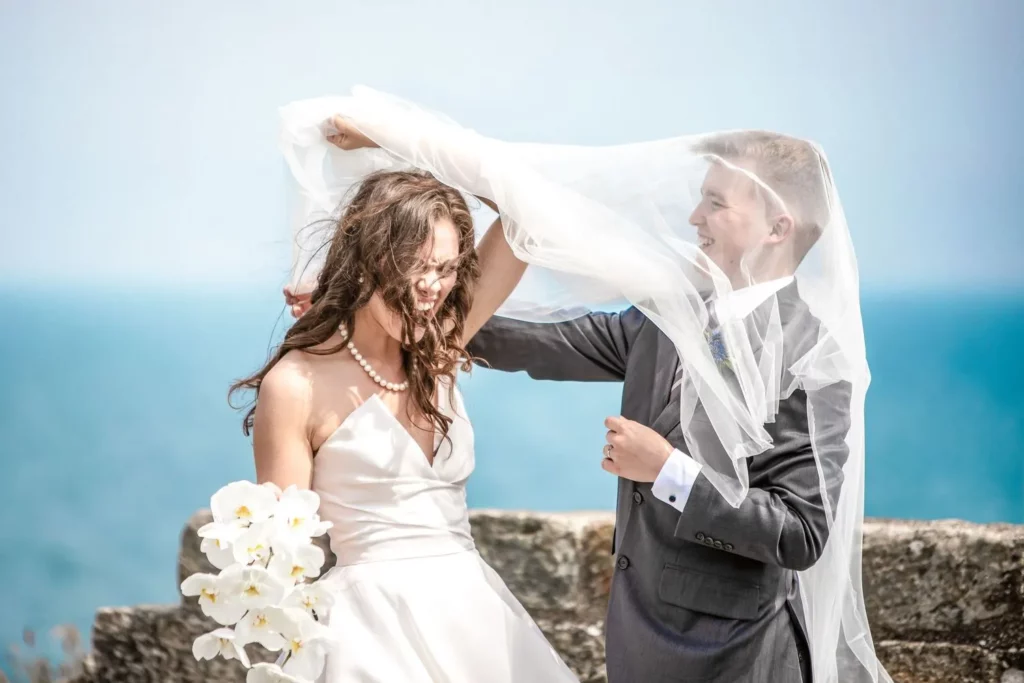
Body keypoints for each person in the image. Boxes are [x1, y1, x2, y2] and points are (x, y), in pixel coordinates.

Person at [278, 87, 889, 683]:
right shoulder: (666, 321)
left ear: (777, 228)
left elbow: (800, 532)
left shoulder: (815, 358)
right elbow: (537, 340)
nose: (695, 217)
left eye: (716, 203)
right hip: (640, 646)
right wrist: (376, 307)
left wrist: (668, 470)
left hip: (742, 656)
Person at [234, 129, 579, 680]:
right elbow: (285, 563)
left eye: (446, 268)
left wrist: (394, 136)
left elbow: (524, 214)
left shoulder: (439, 347)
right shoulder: (294, 386)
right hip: (367, 641)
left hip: (477, 627)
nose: (432, 286)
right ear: (368, 260)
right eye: (416, 265)